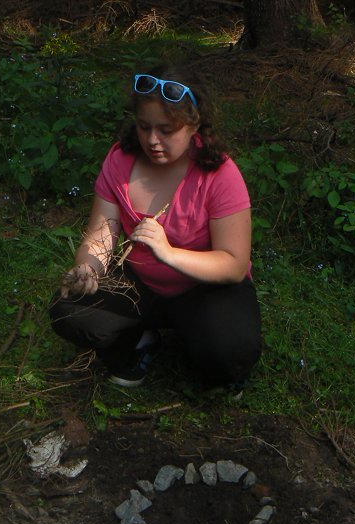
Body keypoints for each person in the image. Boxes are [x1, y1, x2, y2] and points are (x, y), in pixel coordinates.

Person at [49, 64, 261, 390]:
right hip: (141, 284)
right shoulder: (120, 160)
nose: (152, 140)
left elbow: (233, 264)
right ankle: (140, 339)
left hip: (204, 287)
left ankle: (200, 338)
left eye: (166, 130)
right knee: (68, 310)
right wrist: (88, 267)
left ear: (194, 125)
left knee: (229, 354)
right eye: (144, 126)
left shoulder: (219, 173)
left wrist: (169, 253)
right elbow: (101, 233)